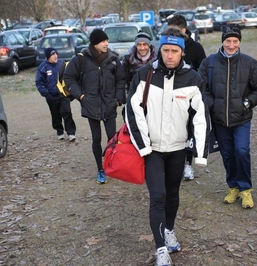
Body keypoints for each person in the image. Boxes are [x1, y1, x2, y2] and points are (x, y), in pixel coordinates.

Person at [125, 27, 209, 266]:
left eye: (174, 51)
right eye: (165, 50)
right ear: (159, 50)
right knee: (158, 196)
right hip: (152, 149)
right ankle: (161, 248)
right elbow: (132, 112)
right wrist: (143, 146)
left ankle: (169, 230)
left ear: (182, 52)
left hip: (178, 149)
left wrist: (200, 154)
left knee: (173, 194)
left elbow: (201, 116)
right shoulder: (143, 75)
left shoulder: (193, 79)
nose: (169, 55)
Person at [198, 25, 257, 209]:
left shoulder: (249, 63)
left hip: (241, 118)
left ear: (240, 42)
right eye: (228, 41)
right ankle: (233, 186)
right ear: (222, 41)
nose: (231, 45)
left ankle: (245, 189)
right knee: (227, 154)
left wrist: (246, 103)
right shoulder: (209, 63)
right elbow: (201, 88)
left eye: (235, 41)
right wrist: (213, 105)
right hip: (220, 119)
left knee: (242, 151)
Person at [64, 29, 126, 185]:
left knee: (112, 139)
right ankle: (100, 169)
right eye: (103, 41)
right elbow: (69, 77)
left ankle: (112, 166)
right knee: (96, 138)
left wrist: (118, 99)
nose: (106, 44)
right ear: (94, 43)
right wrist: (81, 96)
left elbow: (121, 80)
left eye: (107, 40)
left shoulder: (113, 59)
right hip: (91, 105)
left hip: (109, 105)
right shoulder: (81, 59)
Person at [167, 14, 207, 181]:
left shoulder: (196, 48)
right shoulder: (167, 47)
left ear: (183, 30)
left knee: (188, 131)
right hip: (169, 97)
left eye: (174, 31)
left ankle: (187, 164)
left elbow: (203, 71)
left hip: (189, 97)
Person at [35, 47, 77, 142]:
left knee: (66, 112)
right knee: (55, 114)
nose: (55, 56)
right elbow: (39, 83)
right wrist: (46, 94)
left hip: (63, 94)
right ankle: (59, 131)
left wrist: (71, 93)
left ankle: (71, 133)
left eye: (56, 54)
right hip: (51, 95)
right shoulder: (43, 67)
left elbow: (70, 78)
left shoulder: (62, 64)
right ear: (48, 57)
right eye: (53, 55)